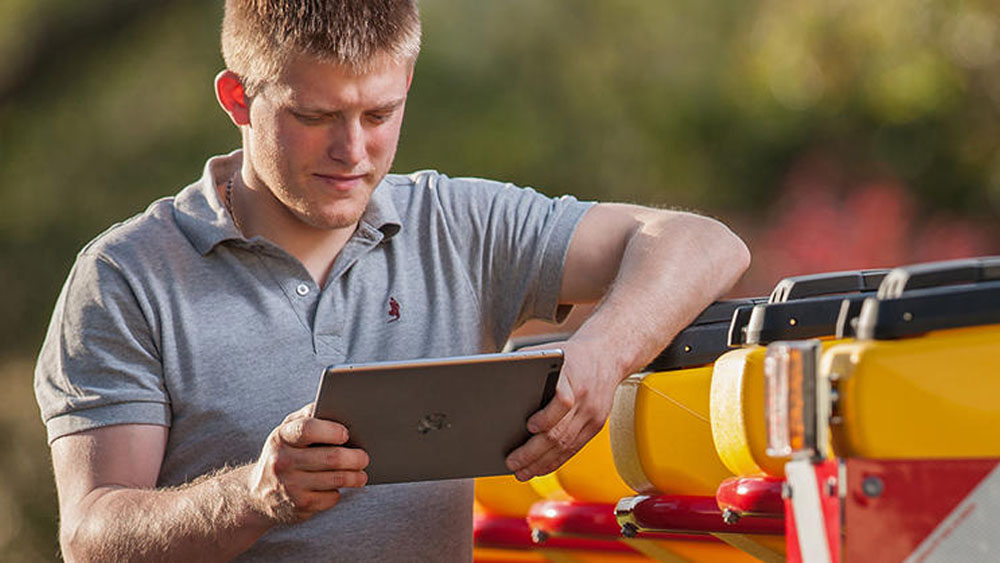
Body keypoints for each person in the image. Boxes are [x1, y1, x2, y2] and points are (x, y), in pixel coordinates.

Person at [34, 1, 750, 561]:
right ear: (235, 98)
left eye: (378, 114)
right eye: (314, 117)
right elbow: (92, 535)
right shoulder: (124, 276)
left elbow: (704, 244)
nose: (352, 151)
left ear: (406, 81)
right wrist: (252, 497)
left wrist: (602, 353)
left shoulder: (460, 224)